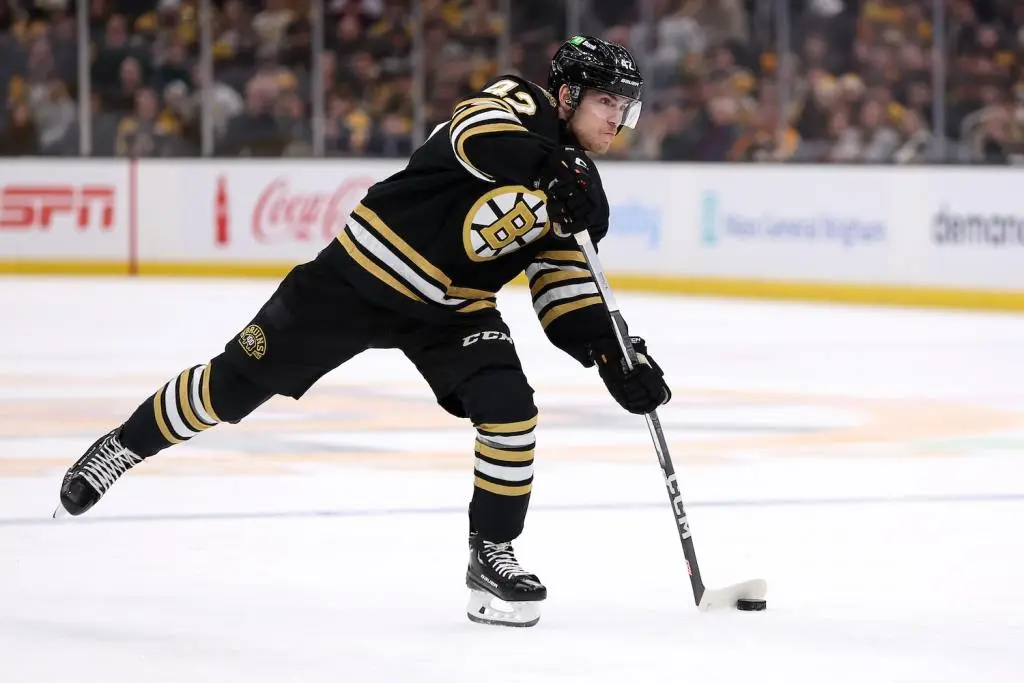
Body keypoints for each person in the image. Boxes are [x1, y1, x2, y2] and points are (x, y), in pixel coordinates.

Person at [54, 35, 671, 628]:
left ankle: (492, 556)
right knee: (230, 388)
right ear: (568, 96)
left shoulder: (584, 193)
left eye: (625, 107)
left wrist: (612, 354)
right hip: (356, 278)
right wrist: (547, 164)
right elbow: (469, 136)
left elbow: (561, 288)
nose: (618, 119)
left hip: (454, 310)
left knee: (509, 409)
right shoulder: (519, 103)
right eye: (607, 103)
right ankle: (123, 446)